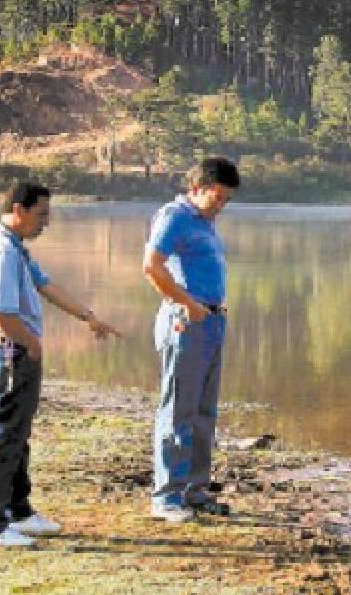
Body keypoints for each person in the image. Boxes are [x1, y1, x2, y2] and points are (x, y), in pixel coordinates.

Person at [0, 181, 121, 546]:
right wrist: (31, 343)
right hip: (7, 352)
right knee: (3, 436)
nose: (46, 223)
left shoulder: (13, 247)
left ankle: (16, 511)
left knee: (17, 435)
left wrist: (89, 316)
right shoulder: (1, 252)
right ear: (19, 210)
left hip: (11, 350)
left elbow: (46, 285)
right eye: (41, 215)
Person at [143, 157, 240, 522]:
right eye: (216, 198)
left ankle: (194, 491)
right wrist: (187, 303)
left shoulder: (204, 222)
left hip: (212, 322)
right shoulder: (174, 216)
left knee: (203, 412)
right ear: (196, 189)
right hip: (186, 323)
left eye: (225, 201)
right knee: (177, 410)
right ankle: (166, 498)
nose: (220, 206)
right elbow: (151, 267)